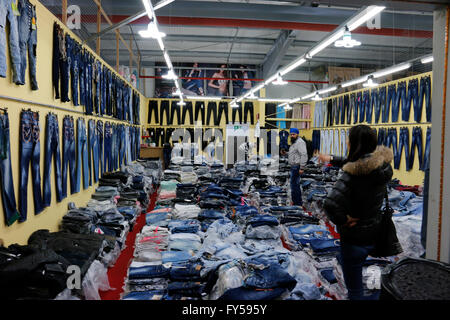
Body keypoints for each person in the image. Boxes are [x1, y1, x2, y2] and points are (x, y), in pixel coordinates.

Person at [320, 124, 394, 300]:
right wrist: (331, 158)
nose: (346, 141)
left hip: (354, 236)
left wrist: (343, 220)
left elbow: (330, 203)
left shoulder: (352, 174)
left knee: (354, 288)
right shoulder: (382, 167)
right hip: (375, 230)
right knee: (373, 280)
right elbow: (357, 163)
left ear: (356, 142)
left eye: (348, 138)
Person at [288, 128, 308, 206]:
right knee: (294, 185)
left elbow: (304, 155)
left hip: (297, 167)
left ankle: (298, 203)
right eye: (291, 134)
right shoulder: (294, 142)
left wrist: (302, 167)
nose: (292, 135)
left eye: (294, 134)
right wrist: (286, 153)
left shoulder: (300, 142)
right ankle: (296, 202)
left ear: (297, 134)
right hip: (293, 167)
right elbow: (295, 154)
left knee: (295, 185)